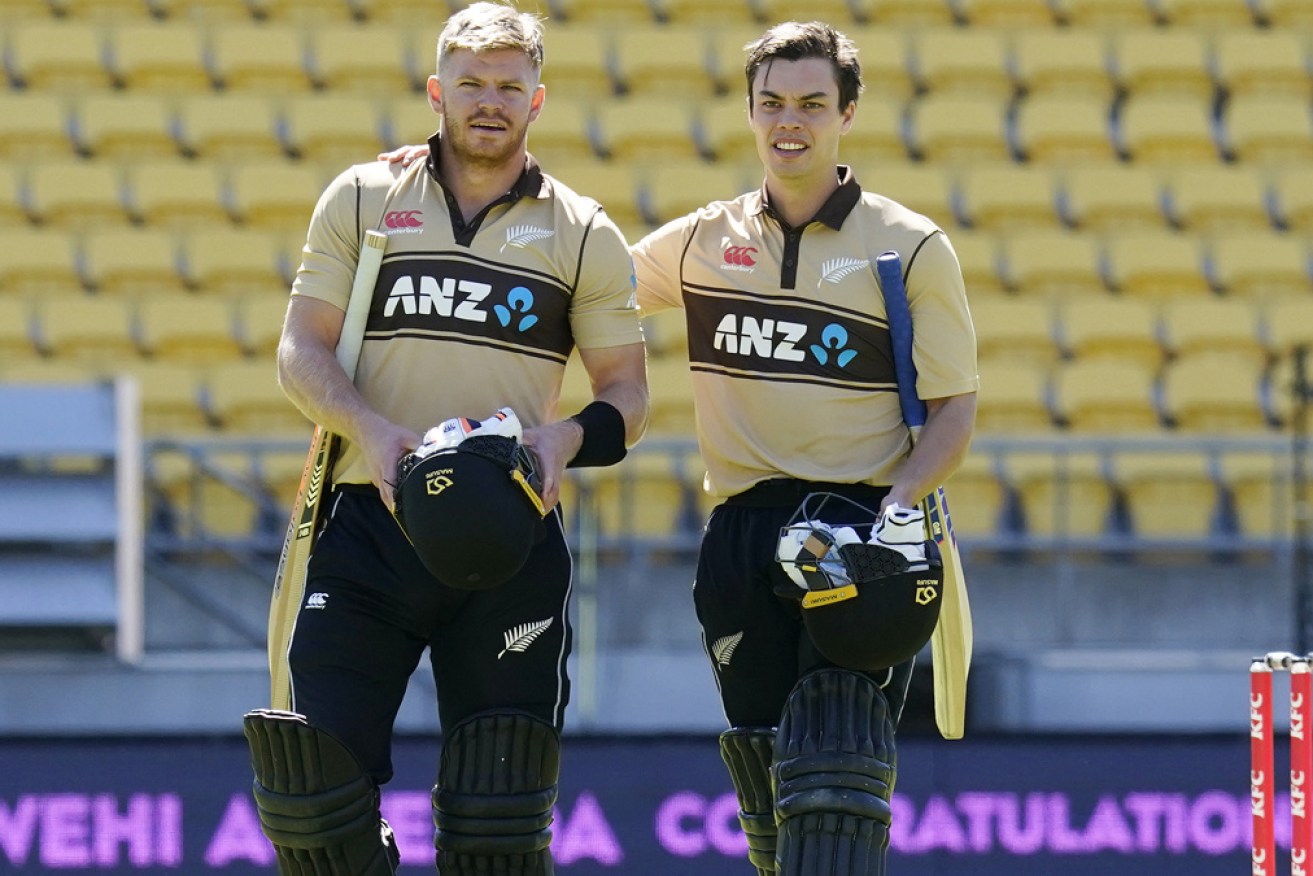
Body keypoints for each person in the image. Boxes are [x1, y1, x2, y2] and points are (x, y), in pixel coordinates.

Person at [380, 19, 976, 874]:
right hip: (738, 533)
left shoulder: (909, 246)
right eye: (770, 103)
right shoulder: (703, 240)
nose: (788, 123)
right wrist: (446, 203)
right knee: (769, 791)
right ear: (749, 112)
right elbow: (582, 284)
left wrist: (897, 513)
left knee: (834, 785)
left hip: (857, 528)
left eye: (811, 103)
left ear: (847, 112)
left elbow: (954, 409)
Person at [242, 4, 649, 875]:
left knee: (497, 829)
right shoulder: (362, 197)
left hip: (510, 540)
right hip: (365, 526)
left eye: (510, 85)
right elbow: (298, 350)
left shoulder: (583, 231)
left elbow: (628, 397)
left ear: (538, 100)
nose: (489, 101)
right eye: (471, 83)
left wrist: (559, 442)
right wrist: (372, 431)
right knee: (315, 808)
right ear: (437, 91)